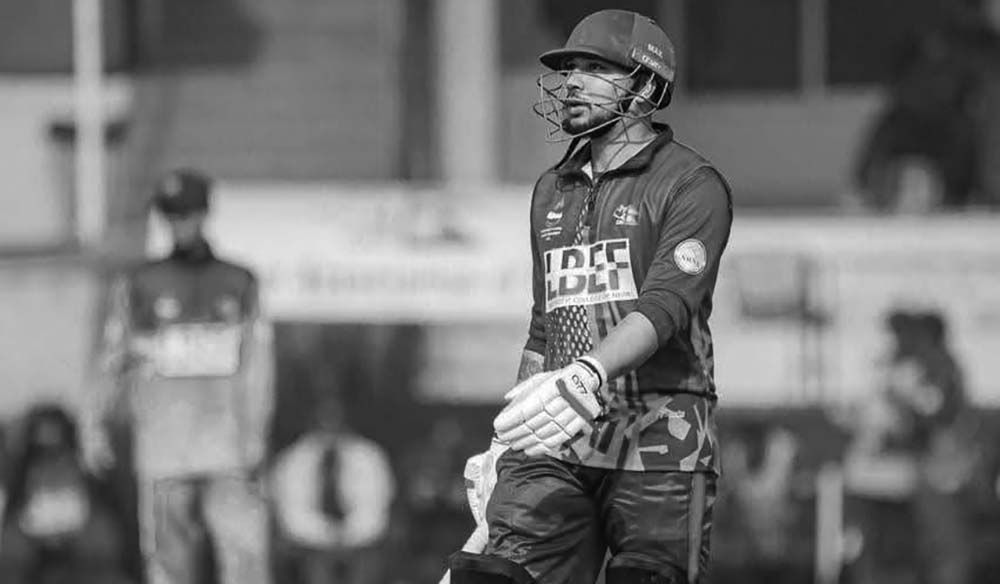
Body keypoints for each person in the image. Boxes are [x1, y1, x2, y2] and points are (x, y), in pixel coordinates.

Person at [447, 9, 733, 584]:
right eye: (570, 68)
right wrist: (507, 437)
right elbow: (543, 327)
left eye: (596, 69)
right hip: (560, 434)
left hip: (661, 435)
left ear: (646, 86)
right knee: (495, 576)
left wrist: (588, 373)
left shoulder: (691, 184)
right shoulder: (551, 189)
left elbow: (665, 307)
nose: (573, 81)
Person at [83, 169, 275, 584]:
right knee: (169, 564)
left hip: (228, 448)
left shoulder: (239, 282)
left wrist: (255, 432)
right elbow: (112, 357)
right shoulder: (140, 284)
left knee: (243, 559)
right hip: (164, 450)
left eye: (187, 214)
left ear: (204, 214)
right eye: (171, 215)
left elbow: (258, 365)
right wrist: (94, 421)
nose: (179, 224)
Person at [0, 404, 131, 584]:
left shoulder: (88, 477)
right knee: (13, 553)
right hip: (29, 551)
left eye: (58, 449)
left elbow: (104, 541)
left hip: (84, 554)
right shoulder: (20, 478)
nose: (51, 457)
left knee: (99, 547)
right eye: (41, 450)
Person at [270, 399, 395, 584]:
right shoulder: (293, 459)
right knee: (315, 567)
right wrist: (325, 535)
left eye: (335, 418)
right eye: (324, 419)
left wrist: (348, 536)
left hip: (360, 545)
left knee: (367, 564)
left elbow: (376, 506)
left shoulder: (368, 456)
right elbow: (292, 514)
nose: (330, 425)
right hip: (311, 546)